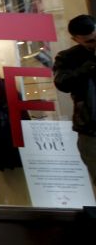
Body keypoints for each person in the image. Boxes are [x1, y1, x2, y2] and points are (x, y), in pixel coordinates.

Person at [53, 14, 96, 190]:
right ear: (75, 39)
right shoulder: (68, 57)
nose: (94, 44)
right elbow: (63, 83)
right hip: (91, 127)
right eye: (90, 42)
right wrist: (91, 64)